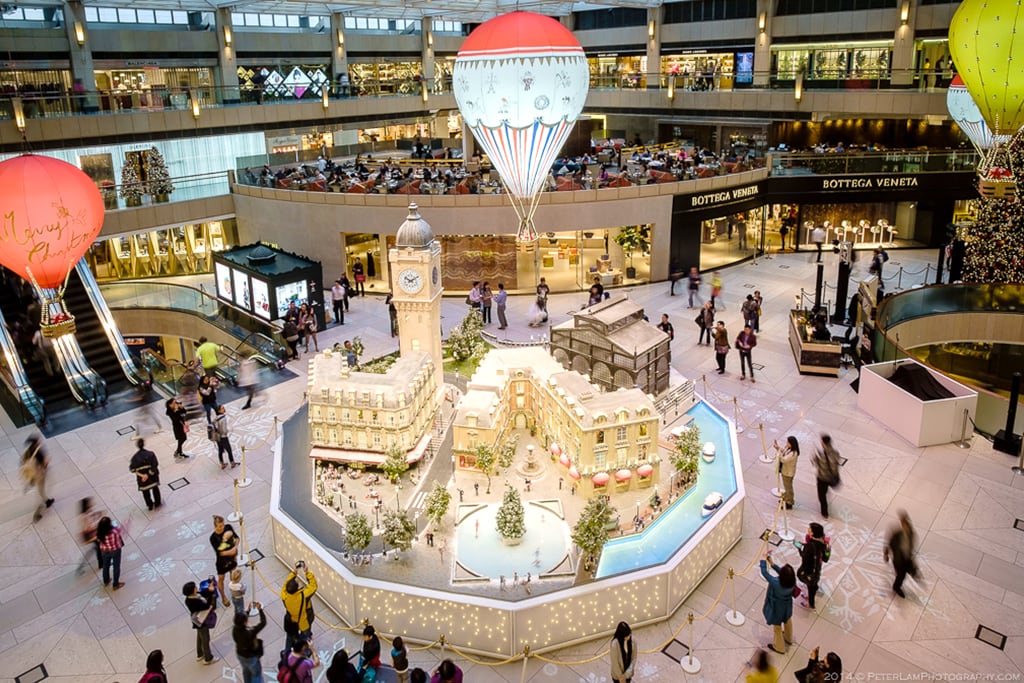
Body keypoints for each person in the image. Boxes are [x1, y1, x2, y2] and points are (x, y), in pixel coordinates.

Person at [760, 552, 796, 655]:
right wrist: (772, 563)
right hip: (787, 605)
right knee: (788, 621)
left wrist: (763, 560)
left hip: (776, 608)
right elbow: (782, 573)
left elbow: (765, 573)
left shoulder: (776, 584)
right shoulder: (791, 581)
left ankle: (779, 647)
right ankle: (788, 638)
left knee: (777, 627)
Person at [281, 561, 318, 654]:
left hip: (292, 621)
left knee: (290, 638)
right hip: (304, 621)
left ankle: (287, 652)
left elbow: (285, 584)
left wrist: (294, 572)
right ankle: (305, 652)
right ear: (297, 588)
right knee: (305, 636)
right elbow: (313, 586)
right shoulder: (303, 596)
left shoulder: (284, 595)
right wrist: (307, 572)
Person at [884, 510, 919, 598]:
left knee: (909, 567)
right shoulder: (897, 534)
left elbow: (911, 543)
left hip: (907, 557)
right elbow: (889, 543)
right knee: (901, 575)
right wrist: (886, 554)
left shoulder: (911, 533)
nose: (905, 527)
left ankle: (913, 572)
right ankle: (896, 587)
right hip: (898, 559)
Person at [183, 580, 219, 665]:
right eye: (195, 587)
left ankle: (200, 653)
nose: (197, 588)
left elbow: (202, 593)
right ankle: (208, 658)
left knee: (200, 637)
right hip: (201, 621)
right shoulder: (193, 602)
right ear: (192, 591)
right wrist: (211, 597)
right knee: (205, 639)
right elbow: (205, 606)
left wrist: (209, 590)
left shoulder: (192, 597)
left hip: (197, 621)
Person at [797, 522, 830, 610]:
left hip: (809, 572)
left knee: (810, 587)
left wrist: (800, 549)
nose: (808, 530)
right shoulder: (822, 543)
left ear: (813, 533)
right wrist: (828, 549)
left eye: (810, 529)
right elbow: (825, 558)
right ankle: (814, 588)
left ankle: (811, 604)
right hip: (817, 570)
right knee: (813, 585)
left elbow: (804, 557)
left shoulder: (809, 546)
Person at [21, 434, 53, 522]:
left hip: (32, 475)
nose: (40, 441)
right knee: (40, 491)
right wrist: (47, 462)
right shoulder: (38, 451)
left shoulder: (27, 452)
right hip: (39, 475)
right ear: (36, 442)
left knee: (41, 491)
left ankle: (47, 501)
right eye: (38, 440)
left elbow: (23, 463)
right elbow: (44, 464)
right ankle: (37, 514)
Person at [233, 602, 267, 683]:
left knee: (246, 671)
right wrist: (260, 610)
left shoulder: (235, 629)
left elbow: (241, 620)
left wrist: (247, 611)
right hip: (250, 656)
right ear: (244, 622)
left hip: (240, 654)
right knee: (256, 674)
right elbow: (263, 623)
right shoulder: (249, 633)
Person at [211, 515, 239, 606]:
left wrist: (235, 547)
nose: (222, 527)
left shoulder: (228, 527)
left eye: (223, 525)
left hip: (232, 558)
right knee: (221, 578)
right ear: (215, 526)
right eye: (220, 526)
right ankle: (223, 597)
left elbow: (236, 538)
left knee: (233, 575)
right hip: (222, 561)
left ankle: (234, 591)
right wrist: (231, 551)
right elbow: (220, 553)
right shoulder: (213, 537)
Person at [812, 434, 841, 518]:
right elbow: (837, 463)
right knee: (825, 491)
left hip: (822, 478)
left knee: (822, 495)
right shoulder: (836, 453)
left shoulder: (822, 456)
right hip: (832, 477)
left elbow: (815, 463)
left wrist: (816, 456)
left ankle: (824, 513)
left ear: (823, 443)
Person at [129, 438, 161, 511]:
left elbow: (132, 469)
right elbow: (155, 465)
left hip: (142, 479)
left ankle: (149, 505)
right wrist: (148, 474)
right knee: (155, 489)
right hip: (152, 477)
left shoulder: (134, 458)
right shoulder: (150, 454)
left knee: (145, 492)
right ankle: (157, 503)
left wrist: (142, 476)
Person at [96, 515, 126, 589]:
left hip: (104, 551)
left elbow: (98, 540)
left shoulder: (99, 533)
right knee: (116, 566)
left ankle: (106, 580)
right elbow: (120, 529)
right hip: (115, 550)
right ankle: (115, 584)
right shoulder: (114, 531)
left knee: (106, 565)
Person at [77, 497, 103, 574]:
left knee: (96, 548)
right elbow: (86, 528)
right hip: (91, 535)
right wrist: (96, 526)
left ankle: (101, 562)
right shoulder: (84, 516)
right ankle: (101, 563)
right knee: (98, 548)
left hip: (92, 533)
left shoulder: (87, 513)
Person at [774, 435, 799, 509]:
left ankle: (789, 502)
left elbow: (784, 459)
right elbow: (783, 451)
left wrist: (778, 454)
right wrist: (778, 448)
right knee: (786, 486)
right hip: (785, 471)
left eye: (788, 442)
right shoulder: (788, 448)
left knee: (788, 488)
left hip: (788, 473)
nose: (786, 443)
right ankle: (786, 498)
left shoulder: (793, 453)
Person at [213, 404, 237, 469]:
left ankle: (222, 464)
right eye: (222, 408)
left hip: (217, 437)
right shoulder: (223, 419)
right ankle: (232, 463)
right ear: (219, 411)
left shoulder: (215, 418)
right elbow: (224, 430)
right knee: (229, 450)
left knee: (220, 450)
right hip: (223, 437)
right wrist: (228, 431)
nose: (224, 409)